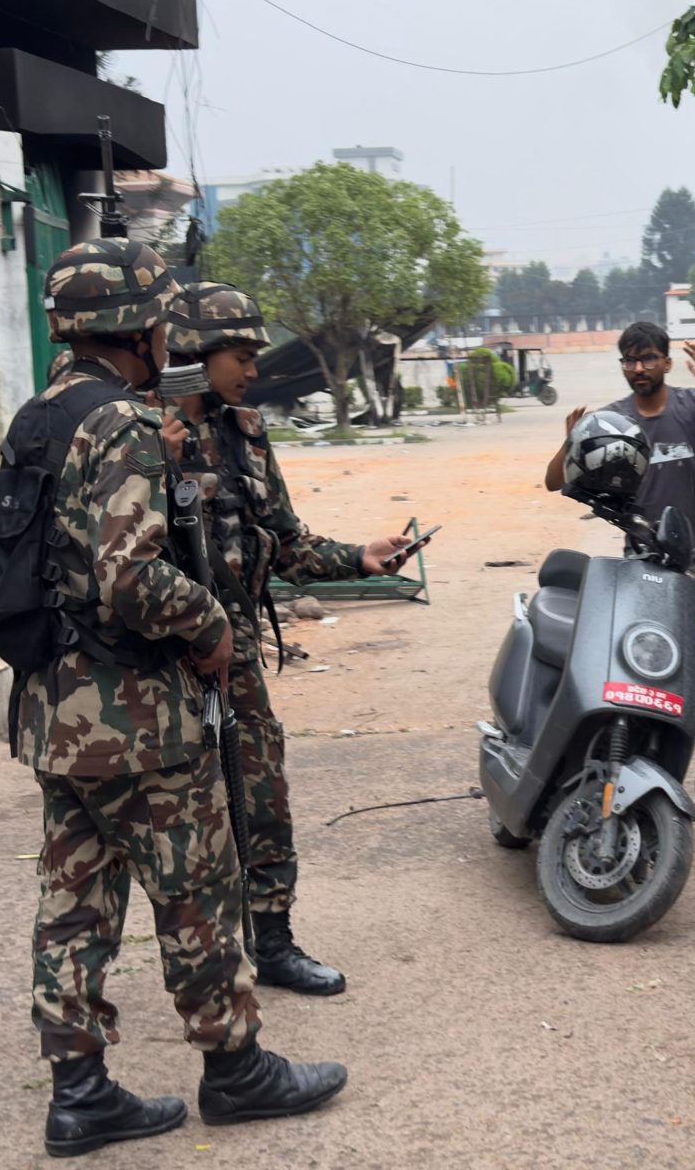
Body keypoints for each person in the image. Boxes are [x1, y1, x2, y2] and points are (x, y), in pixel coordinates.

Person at [7, 241, 344, 1158]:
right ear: (134, 328)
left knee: (74, 899)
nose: (168, 335)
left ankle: (80, 1092)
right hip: (135, 715)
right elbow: (130, 577)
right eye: (158, 318)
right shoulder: (119, 421)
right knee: (197, 888)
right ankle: (236, 1070)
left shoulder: (37, 417)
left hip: (55, 710)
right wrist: (211, 623)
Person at [162, 282, 417, 998]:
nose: (253, 370)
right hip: (162, 660)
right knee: (175, 809)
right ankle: (197, 961)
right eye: (240, 356)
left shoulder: (245, 430)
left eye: (254, 356)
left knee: (261, 793)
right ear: (196, 352)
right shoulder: (139, 429)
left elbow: (285, 540)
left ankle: (272, 943)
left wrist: (359, 557)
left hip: (236, 655)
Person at [543, 321, 695, 817]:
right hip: (642, 558)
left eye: (648, 358)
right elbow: (553, 482)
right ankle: (641, 759)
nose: (639, 368)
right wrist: (570, 443)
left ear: (667, 363)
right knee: (644, 662)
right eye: (630, 360)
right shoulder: (613, 420)